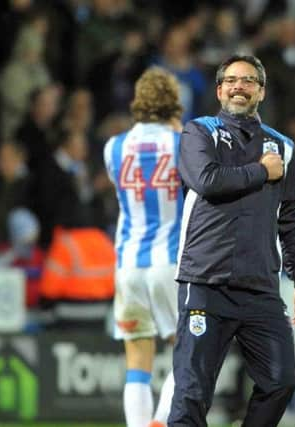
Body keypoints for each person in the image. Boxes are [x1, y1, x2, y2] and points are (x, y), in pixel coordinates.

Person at [169, 54, 295, 427]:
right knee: (192, 393)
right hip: (205, 280)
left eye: (248, 80)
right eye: (231, 80)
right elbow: (207, 181)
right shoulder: (198, 132)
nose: (239, 86)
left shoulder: (284, 147)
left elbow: (290, 217)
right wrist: (261, 171)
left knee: (281, 382)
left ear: (261, 92)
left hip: (260, 286)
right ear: (219, 90)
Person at [104, 67, 184, 427]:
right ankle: (163, 420)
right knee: (187, 352)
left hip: (128, 266)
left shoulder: (114, 147)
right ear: (173, 105)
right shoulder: (182, 144)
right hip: (171, 262)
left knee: (137, 362)